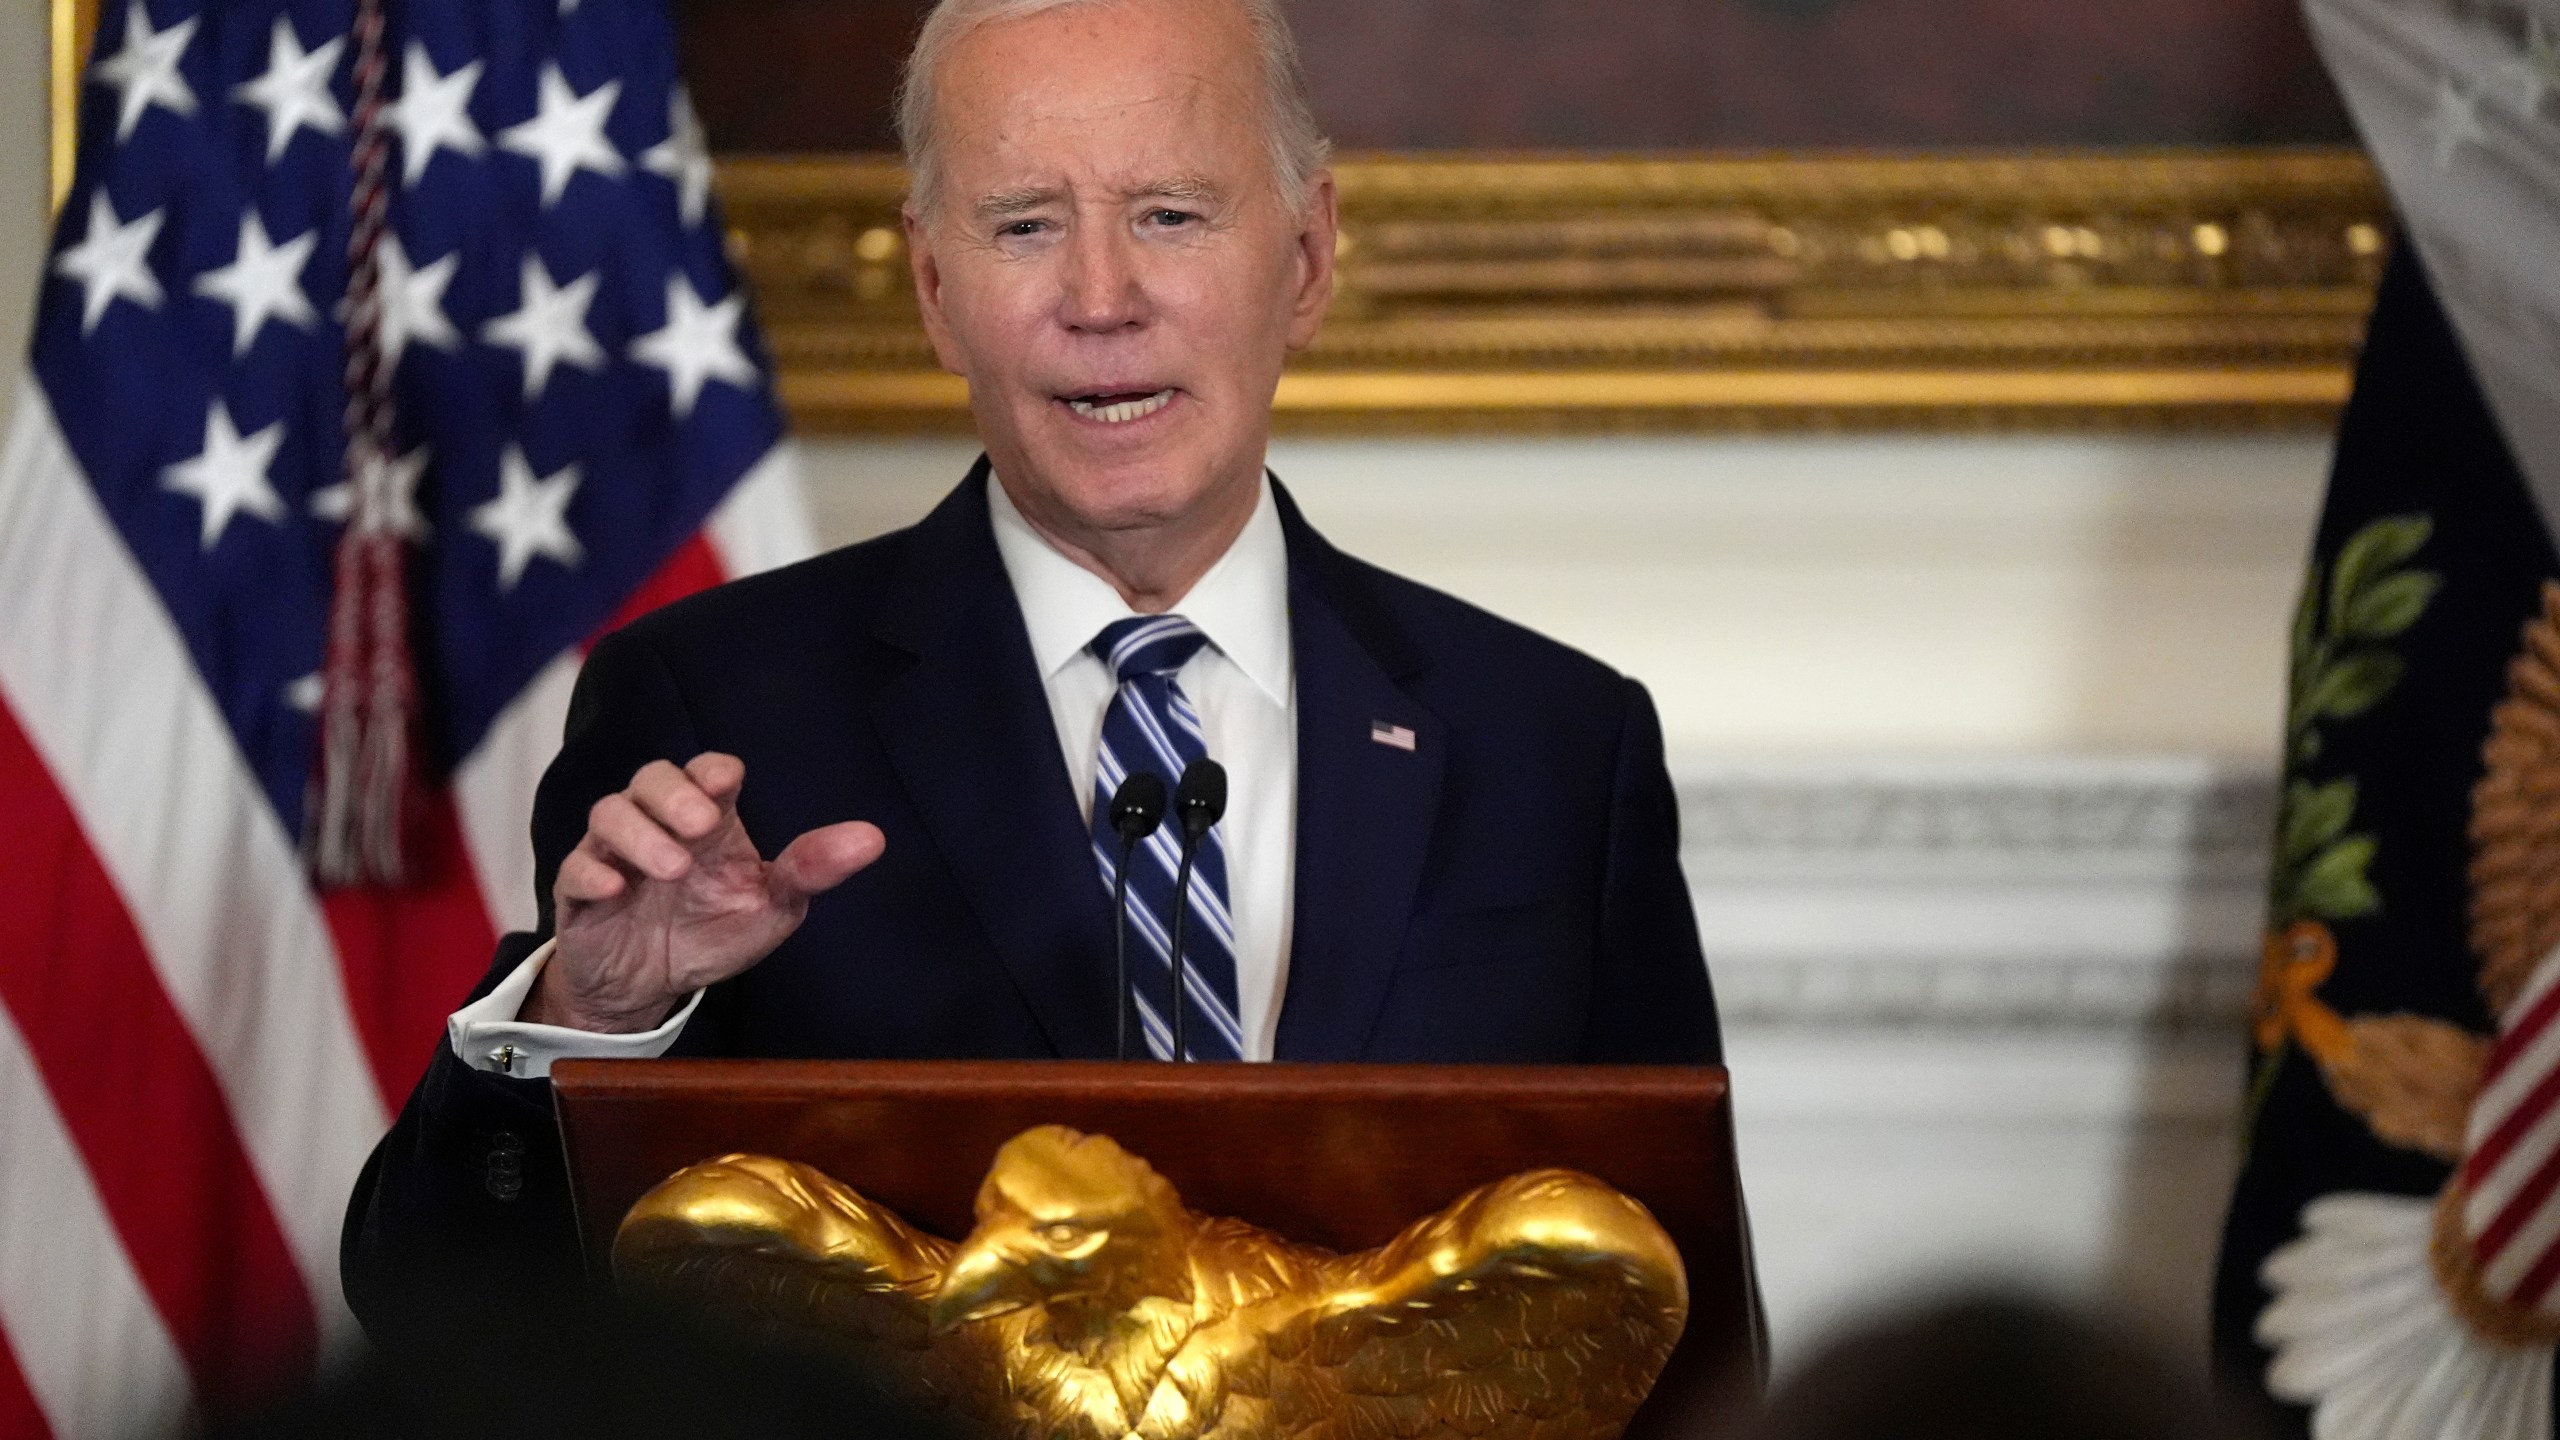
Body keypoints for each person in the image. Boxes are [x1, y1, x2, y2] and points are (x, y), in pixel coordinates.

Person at [342, 0, 1718, 1335]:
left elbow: (1681, 1324)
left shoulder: (1553, 745)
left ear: (1306, 259)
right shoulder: (715, 711)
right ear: (937, 291)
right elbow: (450, 1316)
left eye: (1171, 214)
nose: (1102, 299)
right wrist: (596, 1021)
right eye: (1024, 226)